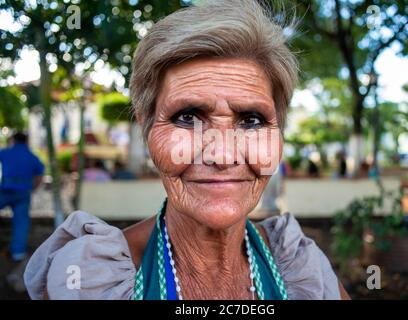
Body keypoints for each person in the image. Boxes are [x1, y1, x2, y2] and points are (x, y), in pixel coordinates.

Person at [24, 0, 349, 300]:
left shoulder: (303, 268)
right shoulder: (91, 278)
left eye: (251, 120)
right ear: (148, 131)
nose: (222, 156)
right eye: (187, 117)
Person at [0, 132, 44, 261]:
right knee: (21, 222)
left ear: (13, 140)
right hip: (23, 192)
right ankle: (18, 252)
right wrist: (33, 188)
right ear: (27, 141)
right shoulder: (32, 157)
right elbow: (39, 176)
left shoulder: (5, 152)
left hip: (5, 190)